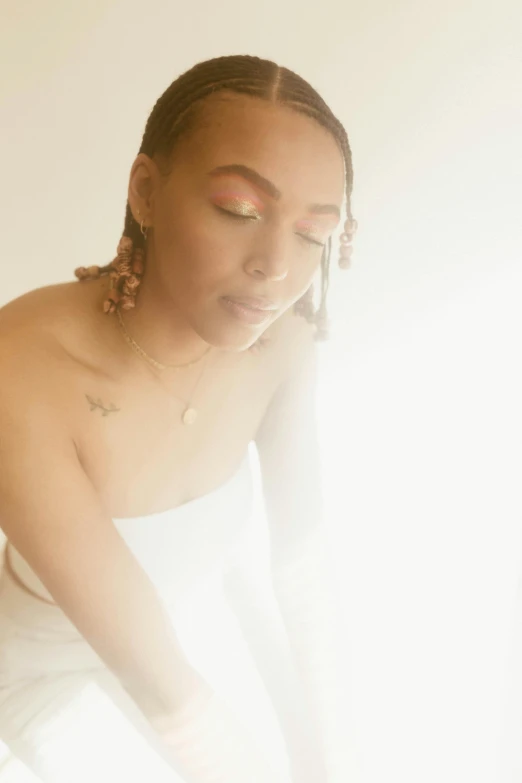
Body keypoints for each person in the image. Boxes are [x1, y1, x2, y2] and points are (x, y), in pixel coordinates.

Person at [0, 54, 357, 782]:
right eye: (239, 210)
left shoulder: (281, 344)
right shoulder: (21, 371)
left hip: (188, 634)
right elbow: (163, 685)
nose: (277, 267)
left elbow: (302, 565)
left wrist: (329, 754)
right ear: (146, 191)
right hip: (35, 676)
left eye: (313, 235)